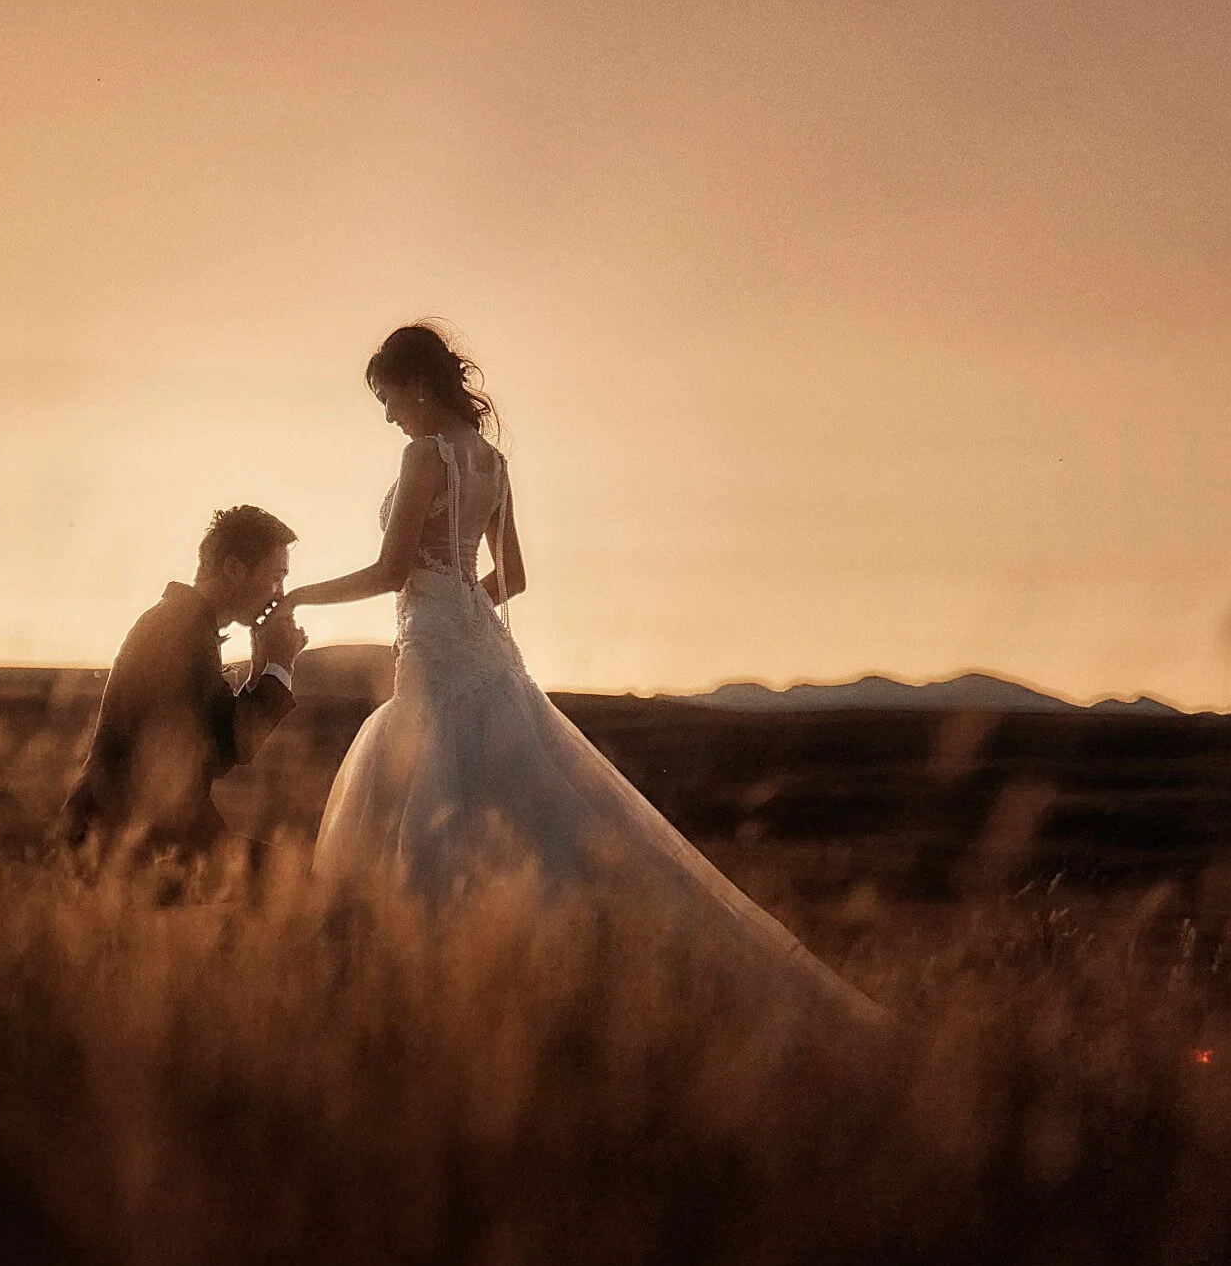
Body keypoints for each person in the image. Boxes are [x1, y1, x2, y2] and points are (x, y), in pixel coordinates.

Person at [267, 322, 887, 1029]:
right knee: (530, 816)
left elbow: (392, 569)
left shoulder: (423, 456)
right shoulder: (493, 462)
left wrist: (299, 595)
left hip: (438, 661)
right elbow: (514, 578)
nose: (387, 414)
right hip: (489, 656)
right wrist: (464, 607)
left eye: (387, 397)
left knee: (435, 818)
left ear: (416, 386)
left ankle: (438, 995)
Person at [62, 505, 309, 895]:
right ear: (233, 569)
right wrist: (280, 666)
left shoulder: (183, 622)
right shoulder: (181, 630)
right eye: (276, 576)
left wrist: (261, 671)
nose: (279, 593)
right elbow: (227, 749)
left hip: (142, 831)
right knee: (295, 884)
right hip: (133, 837)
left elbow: (217, 740)